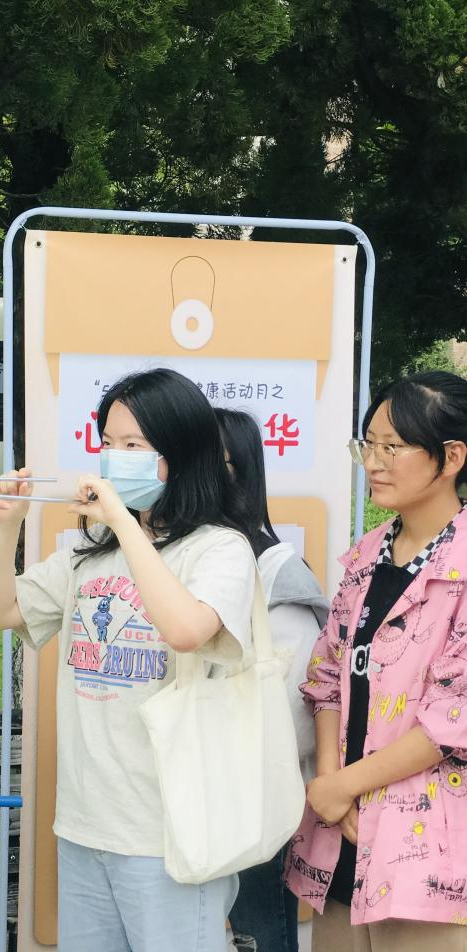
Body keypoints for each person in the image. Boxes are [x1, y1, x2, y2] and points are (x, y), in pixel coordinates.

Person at [0, 368, 257, 952]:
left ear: (181, 454)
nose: (113, 458)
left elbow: (186, 630)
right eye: (107, 442)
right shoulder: (88, 553)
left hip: (169, 834)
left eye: (133, 445)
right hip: (85, 825)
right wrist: (6, 527)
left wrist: (124, 524)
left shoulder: (220, 548)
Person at [285, 371, 467, 951]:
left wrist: (344, 786)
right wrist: (330, 786)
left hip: (427, 848)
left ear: (452, 457)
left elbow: (453, 717)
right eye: (368, 444)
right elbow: (327, 678)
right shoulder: (367, 555)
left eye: (393, 447)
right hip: (343, 833)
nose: (373, 462)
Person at [215, 408, 329, 952]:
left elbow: (297, 719)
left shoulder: (275, 574)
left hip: (253, 799)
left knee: (258, 933)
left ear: (236, 472)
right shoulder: (180, 555)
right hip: (194, 792)